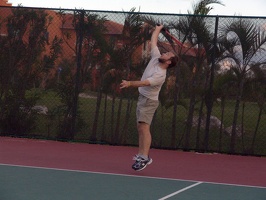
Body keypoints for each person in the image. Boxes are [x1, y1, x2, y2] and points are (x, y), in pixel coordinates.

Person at [120, 24, 178, 171]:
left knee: (144, 128)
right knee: (140, 127)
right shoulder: (156, 57)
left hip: (149, 102)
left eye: (167, 55)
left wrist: (129, 83)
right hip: (142, 98)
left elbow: (145, 83)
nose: (164, 54)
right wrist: (158, 29)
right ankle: (141, 155)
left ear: (169, 62)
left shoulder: (160, 76)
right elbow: (153, 41)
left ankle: (144, 158)